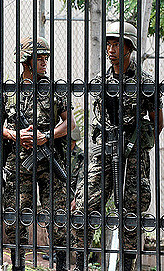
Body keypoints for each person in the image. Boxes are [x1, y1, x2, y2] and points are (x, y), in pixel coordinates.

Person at [73, 22, 163, 271]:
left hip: (133, 154)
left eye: (117, 44)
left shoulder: (145, 82)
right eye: (109, 44)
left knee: (131, 212)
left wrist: (138, 142)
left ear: (130, 47)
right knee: (85, 206)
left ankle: (127, 264)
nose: (111, 49)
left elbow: (158, 121)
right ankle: (83, 261)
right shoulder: (100, 81)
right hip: (104, 152)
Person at [0, 36, 74, 271]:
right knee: (15, 214)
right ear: (26, 61)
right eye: (39, 58)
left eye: (46, 57)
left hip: (49, 160)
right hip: (18, 161)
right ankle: (18, 264)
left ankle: (62, 263)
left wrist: (45, 137)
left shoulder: (54, 88)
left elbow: (70, 124)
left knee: (57, 214)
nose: (44, 62)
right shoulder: (9, 90)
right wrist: (15, 135)